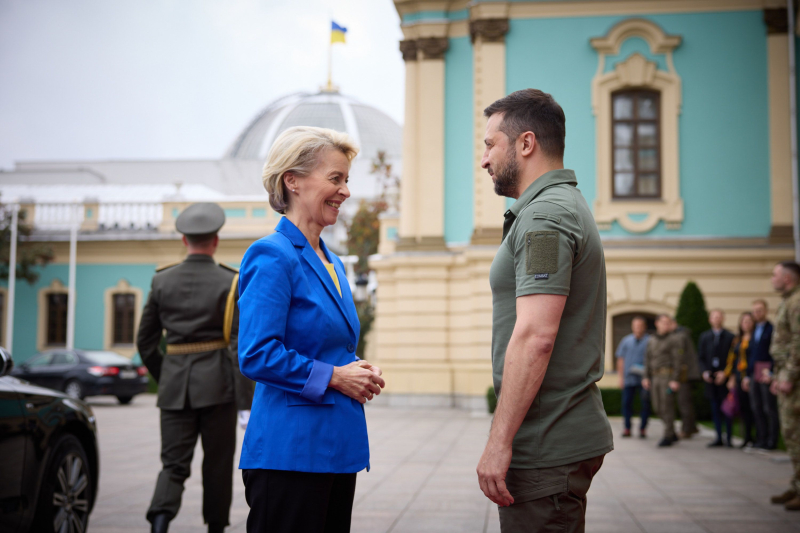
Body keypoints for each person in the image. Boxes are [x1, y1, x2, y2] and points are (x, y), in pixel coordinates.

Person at [475, 89, 612, 533]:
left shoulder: (546, 217)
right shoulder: (551, 208)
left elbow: (536, 336)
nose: (484, 160)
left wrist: (499, 442)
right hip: (550, 440)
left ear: (526, 143)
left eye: (490, 145)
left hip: (545, 446)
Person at [237, 126, 386, 533]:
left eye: (347, 180)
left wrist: (356, 367)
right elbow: (256, 352)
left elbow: (325, 343)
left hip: (336, 449)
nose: (346, 191)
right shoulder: (272, 254)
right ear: (294, 181)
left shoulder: (334, 263)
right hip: (290, 454)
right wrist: (337, 377)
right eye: (335, 178)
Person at [137, 202, 254, 533]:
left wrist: (168, 376)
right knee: (216, 467)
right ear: (215, 240)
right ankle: (215, 528)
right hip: (218, 389)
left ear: (184, 241)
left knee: (173, 465)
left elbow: (145, 342)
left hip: (175, 388)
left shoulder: (162, 281)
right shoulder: (230, 281)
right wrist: (245, 401)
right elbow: (236, 347)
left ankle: (159, 524)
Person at [769, 261, 800, 510]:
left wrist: (788, 375)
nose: (772, 278)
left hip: (796, 382)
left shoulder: (797, 301)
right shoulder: (789, 301)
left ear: (788, 278)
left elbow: (798, 342)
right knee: (791, 436)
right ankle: (797, 484)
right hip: (787, 377)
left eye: (775, 274)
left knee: (796, 435)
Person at [643, 315, 682, 447]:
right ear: (657, 323)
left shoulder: (674, 339)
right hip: (655, 377)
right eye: (664, 323)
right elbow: (647, 359)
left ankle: (668, 435)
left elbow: (678, 361)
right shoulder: (652, 339)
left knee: (667, 406)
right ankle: (672, 431)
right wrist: (646, 377)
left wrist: (675, 380)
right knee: (657, 407)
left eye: (668, 323)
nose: (666, 325)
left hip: (667, 377)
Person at [698, 309, 735, 447]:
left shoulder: (730, 336)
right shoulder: (705, 337)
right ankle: (719, 437)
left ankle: (729, 438)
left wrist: (726, 374)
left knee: (728, 409)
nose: (716, 319)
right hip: (711, 378)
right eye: (714, 317)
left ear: (723, 318)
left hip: (725, 378)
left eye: (719, 316)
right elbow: (700, 357)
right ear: (710, 320)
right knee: (715, 409)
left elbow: (733, 358)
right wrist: (704, 372)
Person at [749, 299, 778, 450]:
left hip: (766, 372)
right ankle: (761, 438)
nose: (757, 313)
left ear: (766, 310)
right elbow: (752, 354)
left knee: (769, 408)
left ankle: (772, 440)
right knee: (756, 406)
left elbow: (775, 353)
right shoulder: (754, 330)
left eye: (760, 310)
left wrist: (772, 372)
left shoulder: (771, 329)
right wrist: (748, 375)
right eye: (755, 310)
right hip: (755, 371)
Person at [724, 312, 756, 448]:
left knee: (754, 408)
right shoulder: (737, 340)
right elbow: (732, 359)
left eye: (749, 321)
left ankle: (758, 437)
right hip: (738, 377)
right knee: (743, 409)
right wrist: (730, 377)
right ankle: (746, 437)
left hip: (752, 376)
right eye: (744, 321)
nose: (746, 324)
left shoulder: (755, 338)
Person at [616, 316, 651, 438]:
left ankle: (642, 429)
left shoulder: (650, 341)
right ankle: (627, 428)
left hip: (644, 379)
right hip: (628, 379)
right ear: (632, 327)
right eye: (635, 326)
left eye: (640, 325)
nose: (638, 328)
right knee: (626, 404)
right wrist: (621, 378)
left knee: (645, 404)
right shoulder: (626, 341)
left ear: (644, 327)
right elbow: (621, 359)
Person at [670, 317, 700, 438]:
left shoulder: (680, 336)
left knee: (684, 403)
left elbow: (679, 357)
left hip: (684, 375)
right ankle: (692, 427)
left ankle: (687, 430)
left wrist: (675, 377)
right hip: (686, 374)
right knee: (686, 403)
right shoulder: (682, 334)